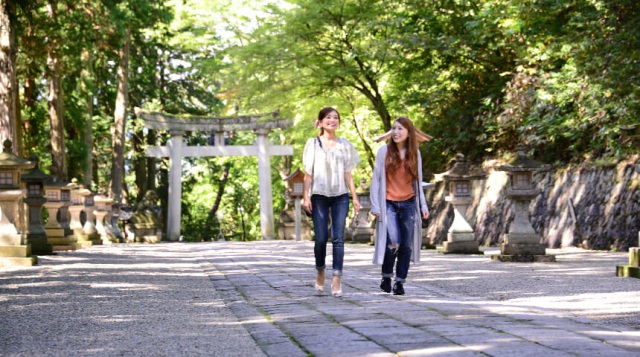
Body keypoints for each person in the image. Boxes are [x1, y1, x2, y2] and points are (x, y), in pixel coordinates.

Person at [302, 107, 361, 297]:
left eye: (335, 118)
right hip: (319, 195)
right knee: (320, 239)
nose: (332, 120)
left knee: (338, 238)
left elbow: (348, 174)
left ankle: (336, 277)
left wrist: (355, 196)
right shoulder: (312, 144)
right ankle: (320, 270)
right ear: (320, 122)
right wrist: (305, 196)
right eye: (328, 117)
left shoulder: (345, 145)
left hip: (340, 195)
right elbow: (308, 174)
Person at [370, 116, 429, 295]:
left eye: (400, 129)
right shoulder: (384, 151)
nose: (396, 132)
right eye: (394, 129)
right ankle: (386, 276)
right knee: (393, 241)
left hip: (409, 203)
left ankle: (399, 282)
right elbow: (376, 180)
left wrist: (423, 205)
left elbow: (418, 182)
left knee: (406, 246)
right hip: (389, 203)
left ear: (408, 133)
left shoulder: (415, 154)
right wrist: (375, 205)